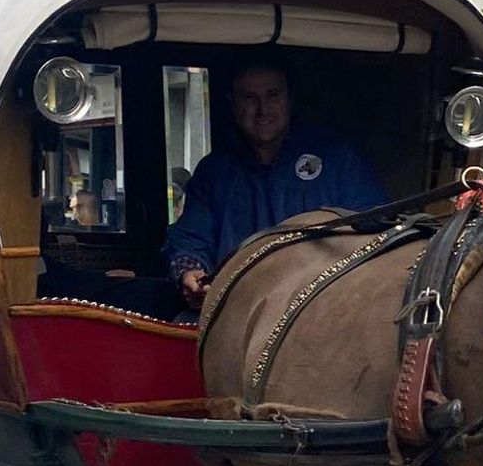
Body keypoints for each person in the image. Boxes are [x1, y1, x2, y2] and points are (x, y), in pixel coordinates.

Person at [162, 57, 385, 307]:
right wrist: (189, 273)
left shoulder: (338, 159)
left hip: (323, 308)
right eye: (249, 98)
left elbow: (374, 231)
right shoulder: (214, 171)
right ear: (232, 104)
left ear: (289, 98)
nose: (263, 109)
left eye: (273, 95)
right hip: (235, 309)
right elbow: (190, 240)